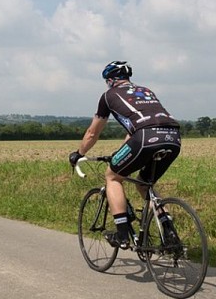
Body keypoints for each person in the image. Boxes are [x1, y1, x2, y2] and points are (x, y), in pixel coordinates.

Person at [69, 60, 181, 249]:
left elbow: (92, 133)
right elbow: (136, 127)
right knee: (145, 185)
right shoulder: (146, 91)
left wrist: (79, 153)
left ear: (110, 80)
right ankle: (170, 233)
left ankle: (122, 235)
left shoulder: (108, 96)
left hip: (145, 137)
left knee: (112, 177)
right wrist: (119, 154)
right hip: (173, 137)